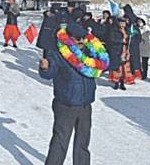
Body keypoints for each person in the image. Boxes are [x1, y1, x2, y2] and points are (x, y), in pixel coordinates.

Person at [39, 16, 104, 165]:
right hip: (66, 105)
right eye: (77, 38)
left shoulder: (88, 53)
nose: (80, 41)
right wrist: (45, 67)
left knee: (83, 143)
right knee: (60, 142)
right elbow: (49, 72)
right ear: (69, 39)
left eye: (82, 38)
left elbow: (103, 62)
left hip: (85, 104)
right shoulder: (58, 54)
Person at [109, 16, 134, 90]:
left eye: (124, 23)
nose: (123, 25)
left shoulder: (127, 30)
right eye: (121, 23)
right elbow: (112, 39)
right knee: (117, 67)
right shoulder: (114, 30)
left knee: (124, 67)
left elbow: (129, 39)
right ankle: (116, 82)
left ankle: (122, 82)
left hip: (125, 50)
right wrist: (121, 40)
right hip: (117, 50)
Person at [122, 4, 142, 80]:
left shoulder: (133, 19)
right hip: (128, 43)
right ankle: (129, 73)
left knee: (134, 58)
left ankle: (135, 72)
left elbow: (138, 36)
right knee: (129, 58)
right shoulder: (130, 17)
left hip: (133, 44)